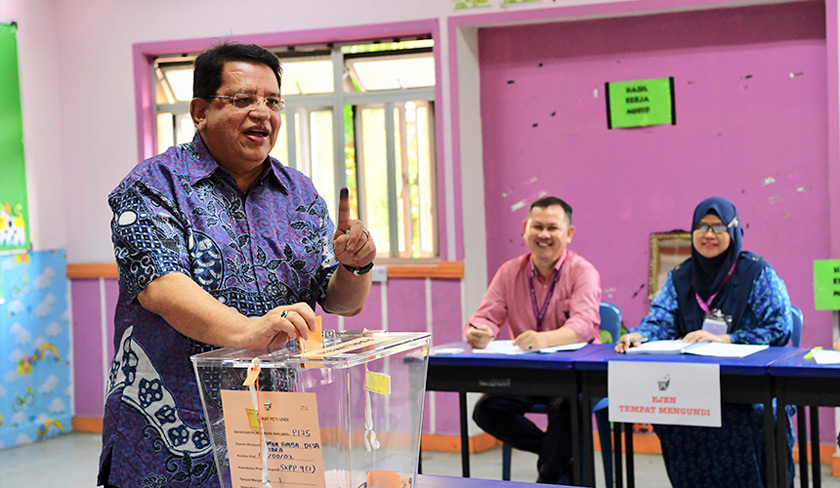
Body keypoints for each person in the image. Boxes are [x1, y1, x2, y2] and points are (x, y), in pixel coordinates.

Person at [98, 43, 376, 488]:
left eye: (272, 101)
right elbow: (161, 287)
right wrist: (250, 332)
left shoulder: (298, 193)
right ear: (199, 111)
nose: (262, 114)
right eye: (244, 100)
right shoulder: (154, 185)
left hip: (274, 429)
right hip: (173, 434)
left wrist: (356, 267)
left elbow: (342, 301)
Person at [616, 196, 794, 488]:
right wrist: (640, 334)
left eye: (717, 227)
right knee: (669, 410)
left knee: (750, 415)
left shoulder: (757, 273)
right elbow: (660, 320)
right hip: (694, 384)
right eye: (701, 227)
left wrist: (727, 339)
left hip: (751, 383)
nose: (708, 234)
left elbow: (778, 328)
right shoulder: (681, 276)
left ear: (733, 231)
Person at [465, 196, 601, 484]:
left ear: (569, 233)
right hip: (527, 373)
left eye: (552, 227)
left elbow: (585, 325)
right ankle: (556, 457)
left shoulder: (582, 271)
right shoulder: (509, 272)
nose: (544, 234)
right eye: (537, 226)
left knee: (567, 407)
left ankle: (548, 477)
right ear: (525, 227)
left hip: (574, 374)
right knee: (486, 410)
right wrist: (478, 331)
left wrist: (544, 339)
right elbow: (486, 316)